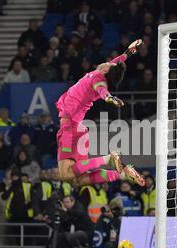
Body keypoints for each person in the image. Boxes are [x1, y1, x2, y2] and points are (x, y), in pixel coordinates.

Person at [55, 39, 145, 188]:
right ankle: (123, 174)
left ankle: (108, 159)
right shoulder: (101, 71)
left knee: (65, 176)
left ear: (106, 71)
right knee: (78, 180)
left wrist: (109, 98)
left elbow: (102, 90)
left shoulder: (99, 79)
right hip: (78, 129)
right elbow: (119, 60)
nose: (109, 62)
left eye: (109, 64)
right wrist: (129, 52)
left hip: (70, 127)